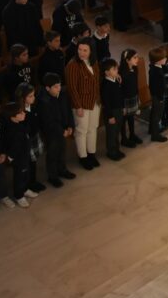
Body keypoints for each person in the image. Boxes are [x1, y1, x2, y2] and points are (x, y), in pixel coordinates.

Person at [65, 39, 101, 170]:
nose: (82, 53)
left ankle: (91, 153)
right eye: (79, 49)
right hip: (81, 104)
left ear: (91, 51)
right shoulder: (73, 65)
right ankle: (83, 157)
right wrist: (78, 106)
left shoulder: (94, 62)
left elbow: (97, 81)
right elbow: (72, 88)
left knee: (93, 128)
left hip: (94, 101)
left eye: (85, 50)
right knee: (81, 131)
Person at [37, 73, 75, 189]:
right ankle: (52, 176)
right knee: (52, 153)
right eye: (55, 87)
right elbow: (48, 120)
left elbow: (68, 110)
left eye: (59, 85)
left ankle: (62, 170)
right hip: (52, 132)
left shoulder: (62, 94)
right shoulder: (43, 101)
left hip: (63, 129)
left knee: (62, 150)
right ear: (47, 88)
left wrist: (70, 125)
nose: (59, 88)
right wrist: (61, 131)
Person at [99, 59, 126, 162]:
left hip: (119, 110)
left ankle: (116, 149)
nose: (117, 71)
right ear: (107, 72)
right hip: (111, 113)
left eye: (116, 68)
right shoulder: (105, 85)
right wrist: (110, 116)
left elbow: (120, 96)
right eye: (114, 69)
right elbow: (106, 103)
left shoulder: (116, 81)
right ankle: (111, 152)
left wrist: (123, 107)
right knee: (111, 132)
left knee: (117, 131)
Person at [118, 50, 142, 147]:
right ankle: (124, 139)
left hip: (133, 97)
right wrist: (123, 106)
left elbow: (135, 85)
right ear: (127, 60)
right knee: (124, 119)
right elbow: (120, 91)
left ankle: (132, 135)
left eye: (137, 57)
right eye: (134, 58)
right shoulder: (122, 74)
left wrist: (138, 97)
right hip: (125, 100)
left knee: (131, 117)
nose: (137, 59)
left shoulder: (134, 69)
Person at [147, 46, 168, 143]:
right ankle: (155, 135)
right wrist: (160, 98)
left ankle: (152, 129)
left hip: (156, 95)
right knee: (157, 115)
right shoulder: (157, 72)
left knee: (154, 113)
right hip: (158, 96)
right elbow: (157, 86)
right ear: (158, 61)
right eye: (164, 58)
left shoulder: (155, 67)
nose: (166, 58)